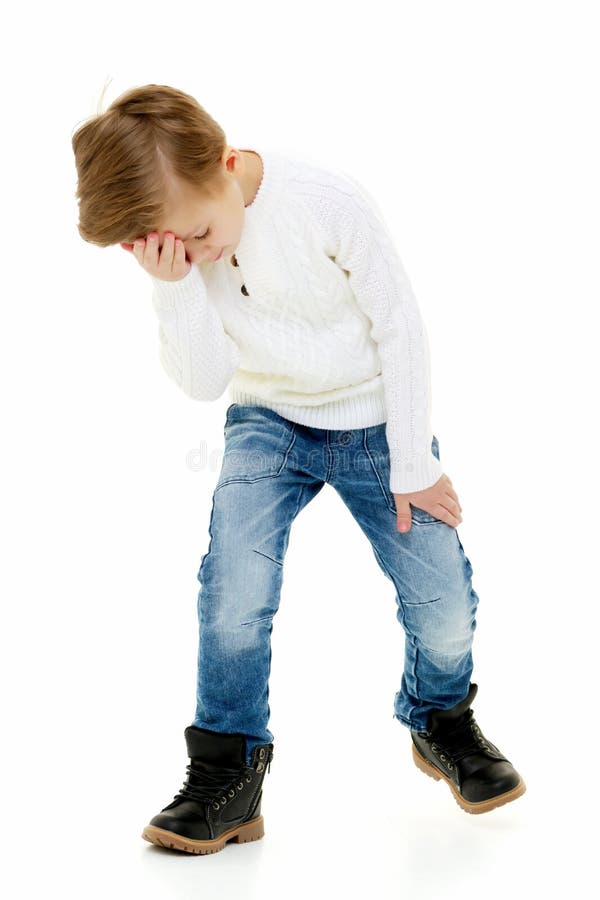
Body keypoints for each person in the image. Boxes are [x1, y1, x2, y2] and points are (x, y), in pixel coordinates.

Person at [71, 83, 526, 855]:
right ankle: (229, 772)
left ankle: (440, 716)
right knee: (233, 588)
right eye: (178, 244)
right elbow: (205, 379)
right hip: (267, 421)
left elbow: (402, 327)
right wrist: (174, 289)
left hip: (375, 419)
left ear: (225, 161)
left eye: (203, 232)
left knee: (441, 593)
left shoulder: (325, 200)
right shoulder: (183, 255)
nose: (203, 250)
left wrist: (411, 464)